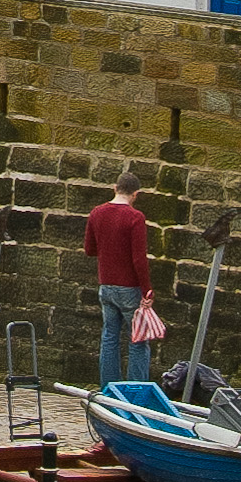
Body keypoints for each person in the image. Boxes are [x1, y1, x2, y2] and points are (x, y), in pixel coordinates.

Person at [83, 166, 154, 389]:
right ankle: (136, 392)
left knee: (109, 338)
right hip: (129, 288)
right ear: (135, 194)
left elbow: (89, 249)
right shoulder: (135, 217)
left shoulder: (96, 213)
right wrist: (147, 290)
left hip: (106, 286)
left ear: (115, 188)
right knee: (138, 340)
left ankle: (109, 389)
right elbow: (139, 259)